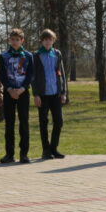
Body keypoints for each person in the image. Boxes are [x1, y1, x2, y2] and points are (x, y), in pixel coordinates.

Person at [0, 28, 34, 164]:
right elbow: (2, 74)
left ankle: (24, 154)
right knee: (9, 124)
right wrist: (10, 89)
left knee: (24, 123)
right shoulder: (4, 55)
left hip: (23, 93)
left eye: (17, 40)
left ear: (22, 41)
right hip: (9, 93)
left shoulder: (28, 56)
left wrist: (22, 88)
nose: (14, 42)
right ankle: (9, 153)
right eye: (12, 39)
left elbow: (31, 74)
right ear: (9, 40)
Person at [32, 29, 68, 160]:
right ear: (41, 41)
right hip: (42, 95)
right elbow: (33, 77)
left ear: (53, 40)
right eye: (45, 39)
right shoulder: (36, 55)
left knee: (58, 121)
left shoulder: (57, 53)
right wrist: (36, 95)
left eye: (50, 39)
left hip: (56, 94)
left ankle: (54, 148)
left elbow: (62, 74)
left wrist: (63, 92)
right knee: (43, 122)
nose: (47, 42)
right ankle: (46, 150)